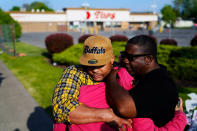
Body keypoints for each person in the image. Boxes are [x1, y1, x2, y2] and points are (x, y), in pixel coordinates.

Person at [52, 35, 186, 131]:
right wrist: (109, 115)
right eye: (90, 65)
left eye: (101, 65)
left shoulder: (125, 72)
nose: (94, 70)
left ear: (112, 59)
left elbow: (151, 72)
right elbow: (61, 109)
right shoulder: (75, 72)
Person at [105, 34, 181, 127]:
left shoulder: (160, 84)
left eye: (130, 57)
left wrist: (111, 78)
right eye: (124, 55)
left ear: (148, 59)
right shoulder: (148, 75)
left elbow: (123, 108)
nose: (125, 60)